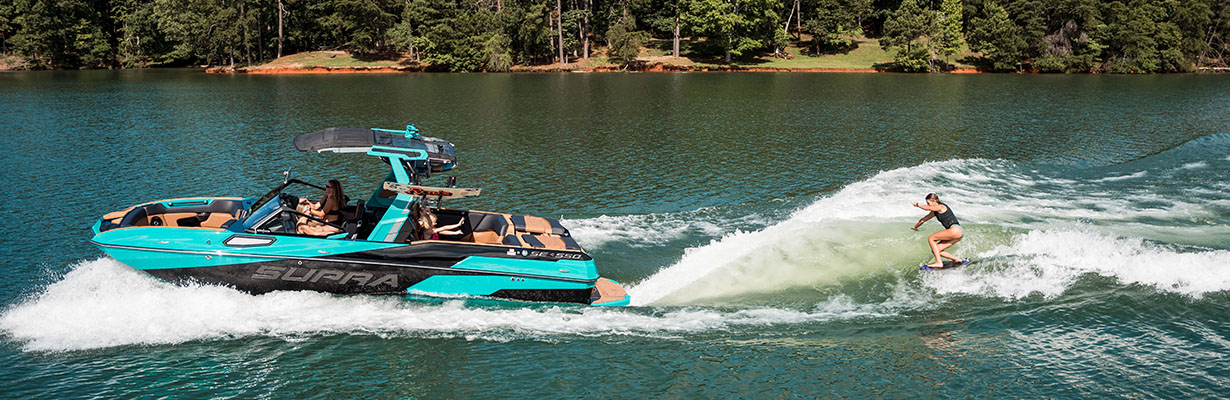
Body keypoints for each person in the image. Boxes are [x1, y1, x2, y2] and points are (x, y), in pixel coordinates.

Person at [911, 193, 968, 269]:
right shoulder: (935, 211)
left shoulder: (941, 207)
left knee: (931, 238)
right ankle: (957, 260)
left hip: (955, 229)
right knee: (937, 250)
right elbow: (923, 219)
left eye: (928, 203)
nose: (928, 205)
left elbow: (928, 208)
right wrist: (915, 227)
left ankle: (938, 262)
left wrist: (918, 205)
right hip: (958, 233)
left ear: (934, 201)